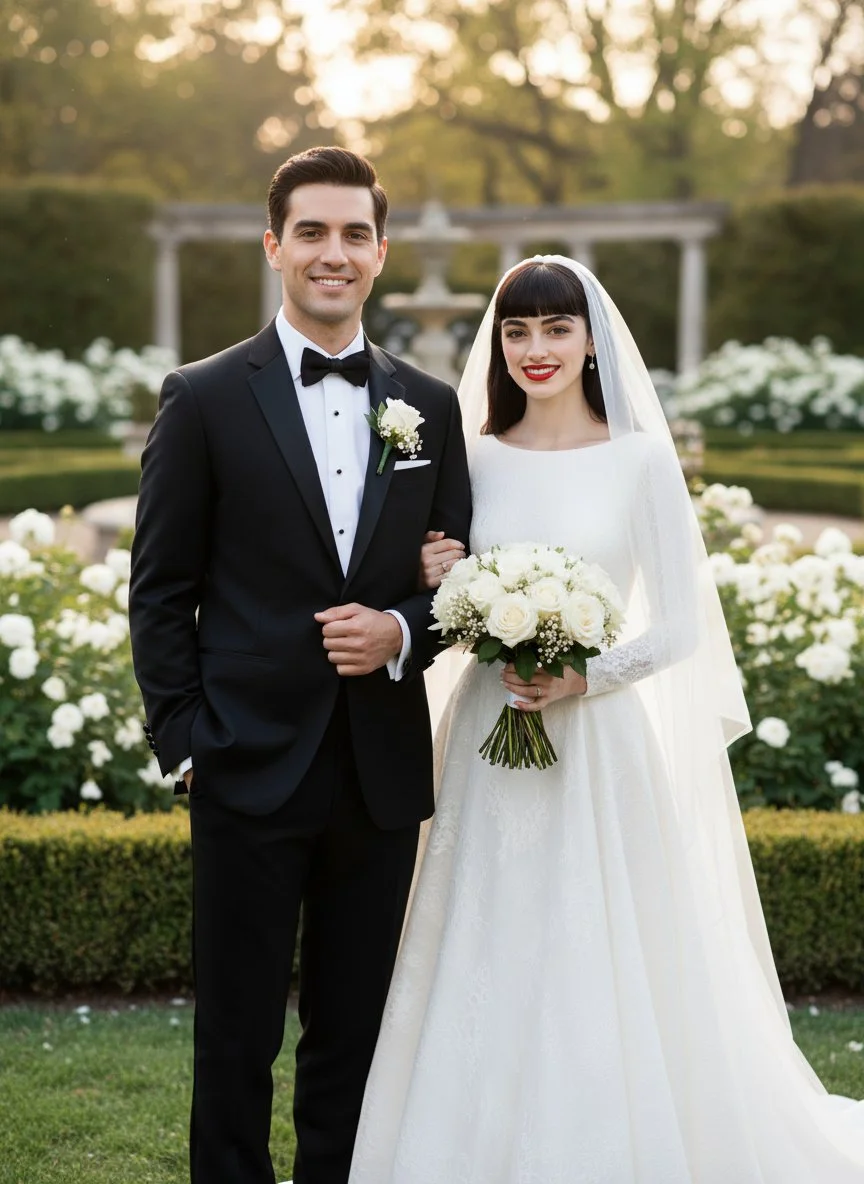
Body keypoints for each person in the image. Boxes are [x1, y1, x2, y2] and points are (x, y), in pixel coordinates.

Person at [347, 256, 864, 1183]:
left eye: (555, 328)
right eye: (516, 331)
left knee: (600, 941)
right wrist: (445, 580)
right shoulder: (471, 453)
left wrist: (586, 677)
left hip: (596, 743)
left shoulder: (639, 458)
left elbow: (679, 625)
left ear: (591, 340)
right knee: (481, 936)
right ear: (496, 345)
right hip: (486, 733)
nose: (535, 349)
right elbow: (438, 594)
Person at [128, 146, 472, 1184]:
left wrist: (403, 629)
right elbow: (159, 587)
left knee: (354, 1033)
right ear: (275, 245)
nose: (335, 252)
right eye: (312, 231)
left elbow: (461, 582)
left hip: (377, 771)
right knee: (235, 1036)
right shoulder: (201, 397)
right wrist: (186, 742)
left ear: (381, 251)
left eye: (355, 233)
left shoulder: (433, 406)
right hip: (243, 760)